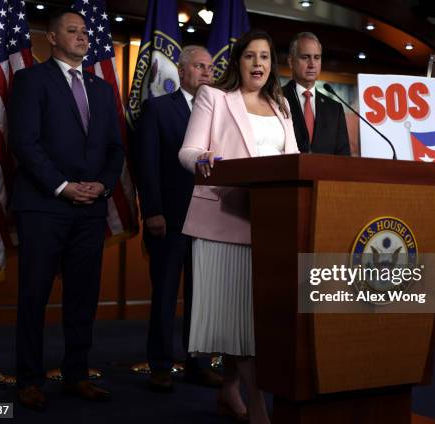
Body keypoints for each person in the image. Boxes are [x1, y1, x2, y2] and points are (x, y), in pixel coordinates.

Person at [178, 29, 299, 424]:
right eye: (250, 56)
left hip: (272, 224)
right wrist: (203, 159)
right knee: (241, 321)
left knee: (249, 317)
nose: (259, 63)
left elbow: (294, 159)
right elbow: (189, 150)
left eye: (265, 56)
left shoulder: (281, 105)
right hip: (225, 220)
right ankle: (259, 407)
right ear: (238, 61)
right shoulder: (214, 97)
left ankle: (229, 390)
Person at [8, 10, 123, 410]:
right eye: (72, 31)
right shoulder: (30, 80)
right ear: (51, 37)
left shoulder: (103, 88)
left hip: (90, 209)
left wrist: (103, 185)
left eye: (84, 31)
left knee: (82, 298)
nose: (82, 37)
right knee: (34, 296)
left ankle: (76, 375)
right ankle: (29, 379)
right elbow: (24, 142)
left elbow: (114, 148)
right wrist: (62, 187)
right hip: (44, 206)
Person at [132, 45, 222, 392]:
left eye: (210, 68)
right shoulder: (158, 108)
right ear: (181, 72)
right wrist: (152, 210)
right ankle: (160, 365)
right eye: (199, 67)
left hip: (209, 219)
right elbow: (147, 163)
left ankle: (196, 365)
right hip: (169, 219)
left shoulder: (218, 112)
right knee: (166, 294)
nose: (206, 73)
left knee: (202, 299)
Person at [282, 32, 350, 155]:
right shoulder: (276, 98)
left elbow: (344, 157)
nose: (312, 64)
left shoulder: (335, 109)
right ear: (291, 62)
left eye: (317, 58)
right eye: (305, 57)